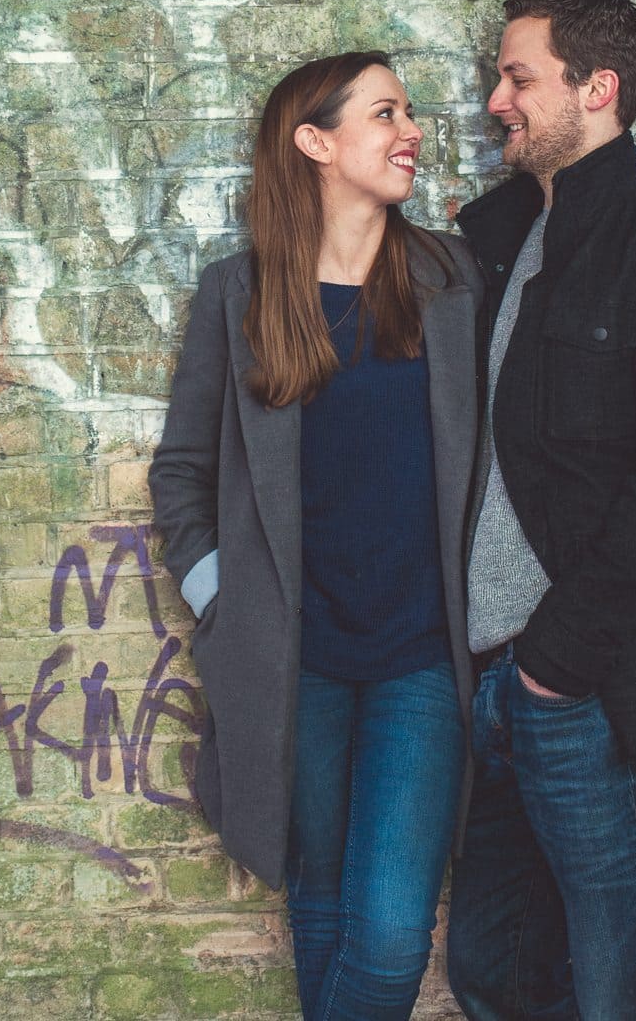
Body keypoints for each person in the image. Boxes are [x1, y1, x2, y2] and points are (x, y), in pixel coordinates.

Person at [150, 51, 483, 1021]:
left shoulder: (451, 283)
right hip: (297, 663)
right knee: (323, 909)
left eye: (409, 111)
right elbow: (180, 475)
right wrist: (229, 606)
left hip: (422, 658)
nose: (410, 129)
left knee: (386, 933)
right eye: (385, 113)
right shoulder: (237, 296)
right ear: (316, 142)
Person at [446, 0, 636, 1021]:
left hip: (594, 691)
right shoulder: (485, 243)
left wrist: (552, 664)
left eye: (517, 77)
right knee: (498, 974)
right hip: (489, 686)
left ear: (598, 88)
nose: (496, 100)